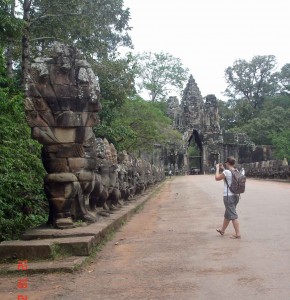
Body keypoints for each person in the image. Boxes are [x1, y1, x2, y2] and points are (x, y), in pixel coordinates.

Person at [215, 156, 241, 239]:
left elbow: (217, 178)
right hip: (236, 195)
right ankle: (222, 230)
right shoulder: (236, 171)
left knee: (233, 215)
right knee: (228, 214)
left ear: (227, 163)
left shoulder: (226, 172)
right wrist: (223, 169)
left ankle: (238, 234)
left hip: (228, 196)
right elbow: (229, 177)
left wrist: (217, 169)